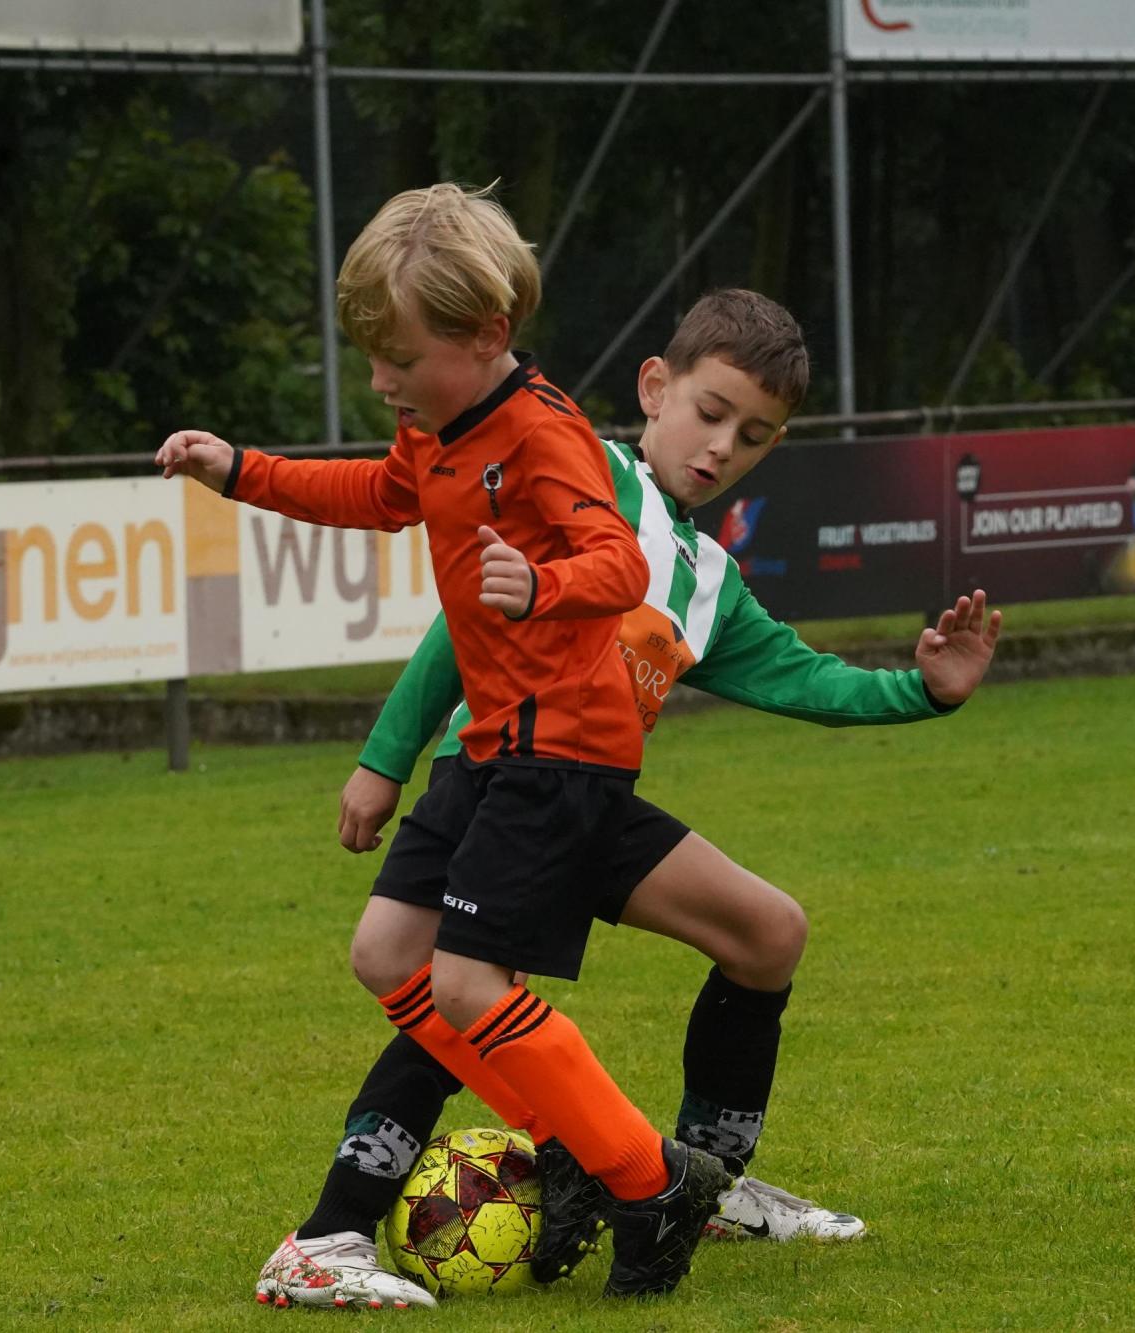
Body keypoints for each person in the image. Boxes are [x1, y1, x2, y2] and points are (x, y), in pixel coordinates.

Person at [251, 289, 1003, 1310]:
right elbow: (460, 621)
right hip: (498, 777)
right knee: (454, 982)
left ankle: (700, 1182)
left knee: (766, 932)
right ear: (654, 387)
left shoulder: (708, 578)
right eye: (709, 412)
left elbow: (805, 679)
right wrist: (385, 758)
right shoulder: (584, 472)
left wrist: (923, 690)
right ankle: (352, 1218)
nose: (721, 447)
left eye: (752, 436)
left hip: (587, 799)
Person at [157, 183, 735, 1299]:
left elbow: (618, 564)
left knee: (467, 984)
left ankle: (651, 1182)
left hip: (563, 751)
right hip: (491, 746)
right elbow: (379, 493)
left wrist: (541, 585)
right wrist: (239, 471)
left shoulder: (543, 433)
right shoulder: (433, 426)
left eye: (400, 359)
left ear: (486, 334)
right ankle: (569, 1142)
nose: (382, 380)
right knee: (386, 954)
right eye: (372, 358)